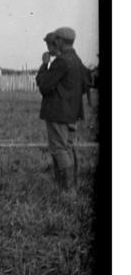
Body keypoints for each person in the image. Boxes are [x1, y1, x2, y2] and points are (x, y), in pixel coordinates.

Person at [35, 27, 87, 189]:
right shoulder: (76, 60)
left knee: (58, 149)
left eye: (56, 39)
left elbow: (44, 86)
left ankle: (67, 189)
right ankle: (71, 187)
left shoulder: (61, 61)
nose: (55, 42)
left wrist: (45, 65)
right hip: (73, 112)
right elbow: (85, 84)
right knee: (67, 148)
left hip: (58, 113)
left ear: (61, 41)